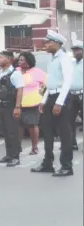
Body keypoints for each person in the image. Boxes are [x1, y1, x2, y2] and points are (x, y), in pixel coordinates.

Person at [31, 30, 74, 177]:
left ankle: (66, 166)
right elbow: (50, 82)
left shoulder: (64, 58)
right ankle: (47, 163)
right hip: (51, 96)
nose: (46, 45)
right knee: (47, 131)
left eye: (49, 42)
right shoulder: (52, 58)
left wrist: (59, 103)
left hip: (61, 97)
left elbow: (67, 81)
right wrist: (44, 100)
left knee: (64, 133)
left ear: (57, 43)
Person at [0, 51, 24, 167]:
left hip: (11, 106)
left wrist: (17, 107)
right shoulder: (0, 73)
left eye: (1, 57)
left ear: (9, 59)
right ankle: (9, 154)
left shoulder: (15, 73)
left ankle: (15, 157)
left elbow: (19, 90)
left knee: (12, 132)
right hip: (1, 105)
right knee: (5, 131)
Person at [16, 52, 45, 155]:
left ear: (28, 61)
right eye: (19, 59)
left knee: (32, 125)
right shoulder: (16, 71)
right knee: (18, 125)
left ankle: (34, 147)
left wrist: (42, 94)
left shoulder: (37, 72)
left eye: (22, 59)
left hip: (32, 103)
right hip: (17, 104)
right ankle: (17, 147)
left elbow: (46, 84)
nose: (19, 61)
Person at [69, 40, 82, 151]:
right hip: (71, 95)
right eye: (73, 50)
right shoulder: (71, 63)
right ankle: (72, 143)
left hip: (82, 94)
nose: (74, 52)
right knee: (69, 120)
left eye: (77, 50)